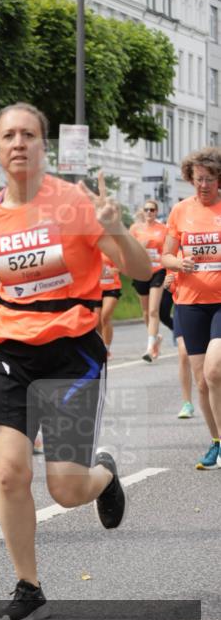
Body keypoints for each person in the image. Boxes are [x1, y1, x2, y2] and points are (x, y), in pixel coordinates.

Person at [0, 103, 151, 620]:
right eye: (9, 136)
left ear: (44, 146)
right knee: (10, 473)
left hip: (72, 350)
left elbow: (141, 268)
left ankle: (103, 478)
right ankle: (29, 586)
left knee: (65, 489)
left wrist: (121, 231)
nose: (19, 143)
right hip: (11, 349)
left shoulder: (76, 204)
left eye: (29, 135)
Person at [161, 147, 221, 470]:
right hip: (190, 303)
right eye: (198, 179)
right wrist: (177, 264)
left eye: (210, 179)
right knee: (201, 381)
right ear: (190, 179)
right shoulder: (180, 211)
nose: (203, 186)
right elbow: (166, 256)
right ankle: (217, 442)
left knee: (215, 367)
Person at [129, 200, 168, 362]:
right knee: (145, 312)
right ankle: (156, 338)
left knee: (153, 310)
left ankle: (149, 347)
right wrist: (140, 246)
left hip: (158, 271)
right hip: (141, 271)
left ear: (156, 212)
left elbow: (167, 251)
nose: (149, 212)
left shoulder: (163, 229)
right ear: (143, 212)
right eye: (147, 210)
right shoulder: (135, 229)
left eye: (152, 210)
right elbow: (129, 250)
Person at [163, 271, 195, 419]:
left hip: (211, 306)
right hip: (183, 307)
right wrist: (168, 285)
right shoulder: (174, 253)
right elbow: (173, 285)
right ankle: (187, 403)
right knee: (183, 352)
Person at [98, 251, 122, 355]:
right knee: (97, 320)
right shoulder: (92, 248)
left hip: (112, 286)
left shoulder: (112, 247)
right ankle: (99, 345)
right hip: (95, 289)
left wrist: (113, 271)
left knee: (105, 315)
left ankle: (106, 348)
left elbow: (122, 266)